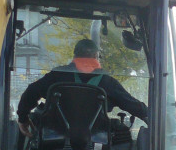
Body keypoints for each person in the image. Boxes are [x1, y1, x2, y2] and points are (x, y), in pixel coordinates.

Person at [17, 38, 148, 137]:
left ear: (74, 56)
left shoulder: (57, 75)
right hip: (95, 144)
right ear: (96, 57)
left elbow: (32, 91)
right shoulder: (108, 82)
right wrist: (153, 118)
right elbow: (132, 105)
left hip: (53, 141)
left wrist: (23, 118)